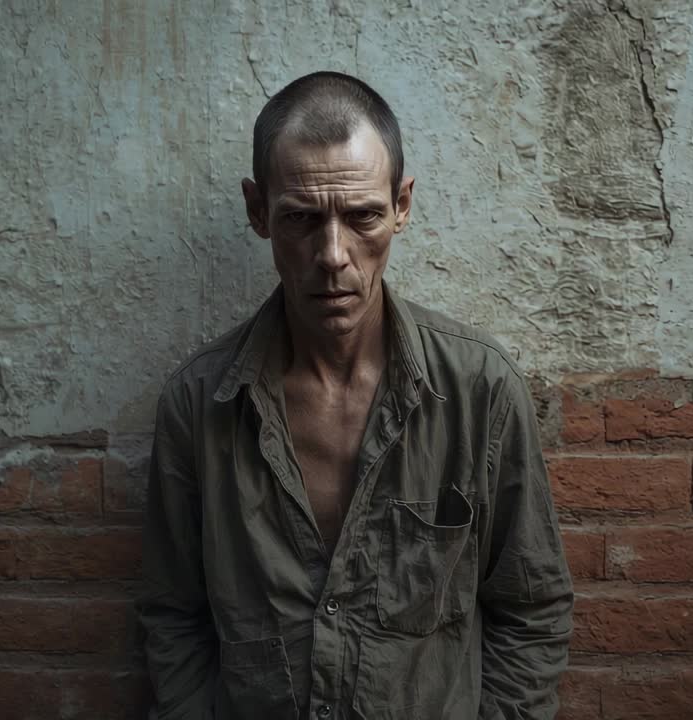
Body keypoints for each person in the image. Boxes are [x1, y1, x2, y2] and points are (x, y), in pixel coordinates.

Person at [138, 70, 574, 719]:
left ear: (402, 204)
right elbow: (173, 619)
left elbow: (530, 610)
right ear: (259, 211)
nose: (333, 254)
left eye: (363, 215)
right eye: (302, 220)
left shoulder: (480, 392)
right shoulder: (201, 406)